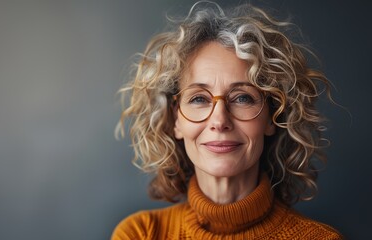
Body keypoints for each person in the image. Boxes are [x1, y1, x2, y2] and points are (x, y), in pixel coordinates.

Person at [112, 1, 342, 239]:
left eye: (242, 97)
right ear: (175, 119)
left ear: (272, 117)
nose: (219, 121)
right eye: (199, 99)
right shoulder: (140, 233)